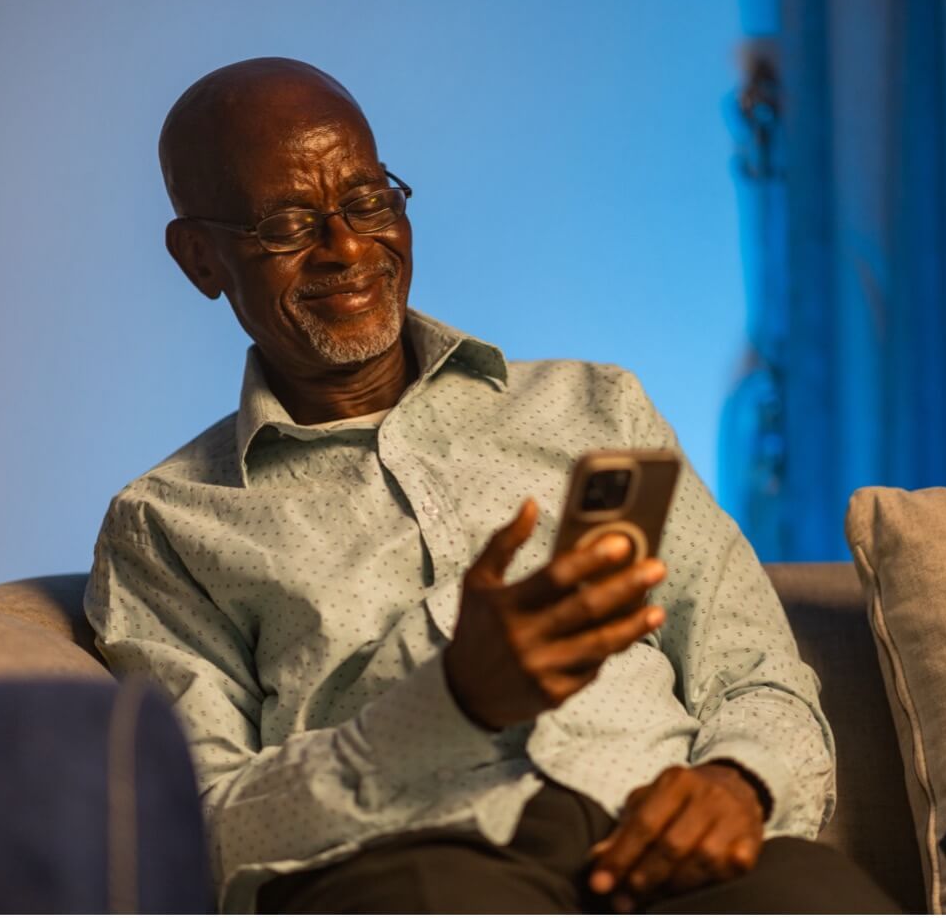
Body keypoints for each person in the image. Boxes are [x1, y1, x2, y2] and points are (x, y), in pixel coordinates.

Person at [85, 57, 898, 914]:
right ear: (200, 258)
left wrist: (740, 781)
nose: (348, 248)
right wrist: (451, 703)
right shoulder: (167, 525)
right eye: (288, 225)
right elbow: (199, 831)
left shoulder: (597, 409)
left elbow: (755, 667)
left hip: (667, 847)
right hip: (419, 866)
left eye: (368, 201)